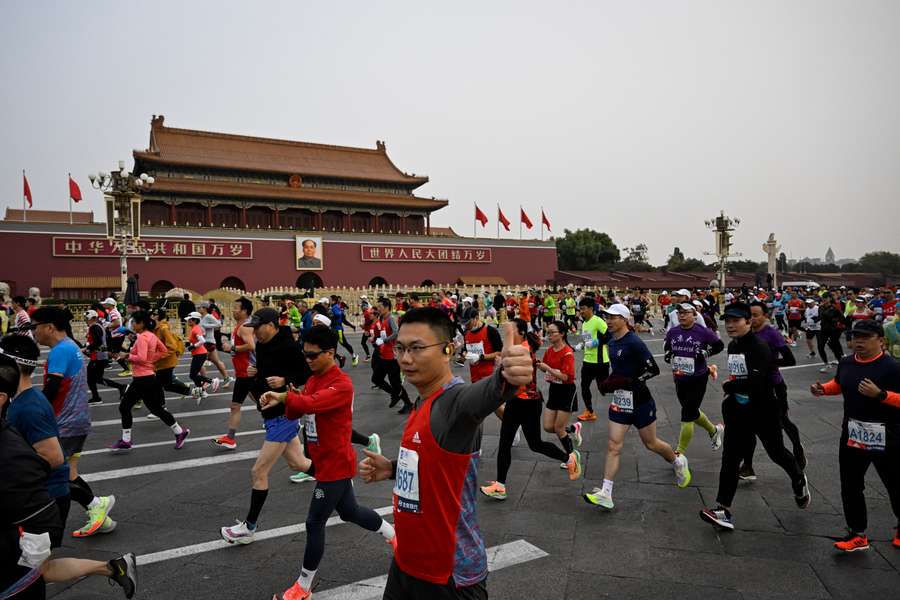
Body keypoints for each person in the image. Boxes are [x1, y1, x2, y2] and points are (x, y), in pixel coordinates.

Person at [358, 308, 533, 599]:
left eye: (417, 348)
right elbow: (431, 463)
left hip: (449, 576)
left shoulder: (455, 402)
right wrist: (392, 468)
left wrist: (506, 376)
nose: (404, 359)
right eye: (400, 348)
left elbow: (486, 394)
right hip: (406, 562)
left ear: (448, 350)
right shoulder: (423, 401)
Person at [260, 326, 396, 600]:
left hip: (335, 464)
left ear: (330, 353)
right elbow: (298, 408)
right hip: (324, 463)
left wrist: (288, 396)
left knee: (314, 522)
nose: (307, 360)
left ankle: (303, 587)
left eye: (312, 355)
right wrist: (284, 397)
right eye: (305, 355)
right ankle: (394, 535)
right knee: (350, 512)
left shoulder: (341, 384)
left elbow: (312, 403)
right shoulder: (312, 380)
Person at [0, 361, 137, 599]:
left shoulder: (27, 410)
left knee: (30, 576)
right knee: (42, 570)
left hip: (33, 522)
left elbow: (51, 458)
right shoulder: (22, 406)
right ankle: (113, 567)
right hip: (37, 511)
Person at [699, 302, 809, 531]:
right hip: (738, 411)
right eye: (727, 321)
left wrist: (731, 387)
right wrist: (733, 393)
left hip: (763, 409)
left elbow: (756, 382)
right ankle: (723, 509)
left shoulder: (759, 347)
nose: (730, 325)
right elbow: (741, 377)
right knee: (730, 459)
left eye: (736, 321)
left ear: (748, 322)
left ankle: (798, 478)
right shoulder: (734, 346)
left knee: (776, 452)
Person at [220, 308, 314, 543]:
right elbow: (263, 371)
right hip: (271, 413)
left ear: (272, 325)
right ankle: (340, 482)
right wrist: (256, 372)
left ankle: (248, 529)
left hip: (283, 414)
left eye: (259, 327)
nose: (256, 333)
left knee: (258, 472)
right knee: (299, 463)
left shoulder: (289, 346)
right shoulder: (262, 345)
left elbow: (305, 373)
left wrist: (286, 380)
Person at [583, 304, 691, 510]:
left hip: (640, 400)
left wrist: (629, 381)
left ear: (624, 319)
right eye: (607, 317)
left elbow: (653, 369)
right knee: (614, 446)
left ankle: (678, 461)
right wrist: (609, 382)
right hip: (621, 401)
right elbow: (617, 369)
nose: (608, 320)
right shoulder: (611, 341)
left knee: (651, 443)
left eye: (613, 317)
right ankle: (606, 492)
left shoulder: (634, 342)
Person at [25, 307, 116, 539]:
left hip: (65, 422)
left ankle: (95, 503)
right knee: (69, 473)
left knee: (52, 473)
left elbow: (53, 389)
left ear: (49, 327)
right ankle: (101, 518)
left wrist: (35, 411)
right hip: (77, 420)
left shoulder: (60, 351)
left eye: (34, 326)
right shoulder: (70, 346)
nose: (33, 332)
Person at [810, 319, 900, 552]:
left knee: (895, 484)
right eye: (855, 337)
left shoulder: (893, 367)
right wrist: (824, 389)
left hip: (887, 435)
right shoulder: (847, 362)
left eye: (864, 337)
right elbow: (840, 383)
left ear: (880, 340)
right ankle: (857, 533)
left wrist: (881, 395)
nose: (857, 341)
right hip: (853, 433)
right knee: (850, 485)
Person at [480, 319, 581, 500]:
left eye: (510, 330)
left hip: (529, 403)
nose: (506, 334)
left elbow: (511, 371)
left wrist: (500, 364)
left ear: (520, 333)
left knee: (536, 444)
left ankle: (569, 458)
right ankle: (500, 485)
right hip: (515, 401)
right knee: (504, 442)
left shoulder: (524, 349)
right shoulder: (520, 348)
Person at [739, 301, 805, 481]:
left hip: (773, 386)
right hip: (751, 387)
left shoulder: (772, 334)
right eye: (749, 315)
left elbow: (790, 360)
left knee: (782, 421)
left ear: (765, 316)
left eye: (755, 315)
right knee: (748, 426)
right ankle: (747, 466)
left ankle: (797, 450)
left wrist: (767, 365)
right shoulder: (744, 335)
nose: (751, 319)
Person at [108, 311, 190, 451]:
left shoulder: (142, 338)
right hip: (148, 377)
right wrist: (152, 359)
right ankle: (179, 432)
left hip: (142, 379)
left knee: (125, 407)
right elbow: (164, 351)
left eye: (134, 322)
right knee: (156, 409)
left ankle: (126, 440)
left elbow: (141, 358)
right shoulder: (151, 336)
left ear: (141, 324)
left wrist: (127, 355)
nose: (132, 324)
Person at [663, 302, 725, 455]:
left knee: (687, 415)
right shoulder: (673, 332)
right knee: (692, 411)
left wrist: (705, 354)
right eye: (679, 313)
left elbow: (720, 345)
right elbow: (668, 348)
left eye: (685, 312)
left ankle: (679, 453)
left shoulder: (703, 332)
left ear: (694, 314)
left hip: (698, 378)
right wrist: (668, 354)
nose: (681, 315)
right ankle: (714, 430)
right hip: (679, 377)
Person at [537, 320, 584, 473]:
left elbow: (566, 377)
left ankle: (572, 456)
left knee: (558, 428)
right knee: (548, 427)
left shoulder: (568, 353)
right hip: (554, 391)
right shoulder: (549, 351)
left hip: (567, 392)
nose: (548, 335)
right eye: (547, 332)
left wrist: (548, 369)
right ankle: (572, 428)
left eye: (552, 333)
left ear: (562, 334)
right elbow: (546, 369)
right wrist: (540, 366)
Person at [214, 297, 256, 450]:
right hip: (244, 372)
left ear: (244, 310)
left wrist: (231, 348)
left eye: (236, 308)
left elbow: (250, 345)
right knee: (262, 402)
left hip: (247, 372)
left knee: (235, 406)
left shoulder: (244, 326)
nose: (233, 310)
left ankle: (230, 438)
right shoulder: (240, 325)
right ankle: (284, 420)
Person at [372, 297, 412, 414]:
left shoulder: (391, 318)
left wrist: (384, 341)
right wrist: (376, 338)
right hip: (383, 354)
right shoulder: (381, 318)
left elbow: (396, 332)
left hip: (392, 356)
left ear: (386, 307)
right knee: (376, 379)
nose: (378, 309)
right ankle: (395, 395)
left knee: (395, 383)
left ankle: (408, 403)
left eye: (380, 307)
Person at [574, 297, 609, 422]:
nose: (581, 312)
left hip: (600, 362)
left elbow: (609, 335)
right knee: (584, 386)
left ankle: (624, 398)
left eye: (583, 309)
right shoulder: (584, 323)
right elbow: (587, 340)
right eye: (580, 309)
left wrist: (596, 342)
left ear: (590, 308)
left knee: (604, 388)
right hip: (588, 361)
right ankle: (590, 411)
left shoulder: (598, 321)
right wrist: (582, 345)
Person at [82, 310, 126, 404]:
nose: (85, 320)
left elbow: (98, 342)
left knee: (93, 379)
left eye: (87, 319)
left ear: (93, 318)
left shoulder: (94, 327)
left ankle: (98, 397)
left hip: (98, 357)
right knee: (94, 379)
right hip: (100, 356)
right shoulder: (98, 326)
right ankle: (97, 397)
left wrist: (87, 348)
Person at [153, 307, 196, 399]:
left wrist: (157, 356)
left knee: (159, 386)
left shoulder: (163, 329)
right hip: (161, 363)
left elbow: (172, 347)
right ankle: (192, 391)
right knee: (165, 385)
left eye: (152, 315)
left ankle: (161, 408)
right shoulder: (155, 329)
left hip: (166, 362)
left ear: (156, 316)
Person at [184, 311, 221, 402]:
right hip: (198, 354)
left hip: (200, 354)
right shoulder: (195, 328)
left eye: (189, 320)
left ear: (194, 320)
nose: (188, 321)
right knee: (194, 375)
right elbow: (197, 339)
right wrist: (190, 344)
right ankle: (202, 392)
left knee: (192, 375)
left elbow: (202, 340)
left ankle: (212, 381)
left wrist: (193, 346)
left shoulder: (195, 329)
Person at [199, 302, 232, 386]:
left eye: (200, 307)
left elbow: (218, 324)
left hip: (208, 342)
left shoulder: (208, 316)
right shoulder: (201, 317)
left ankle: (205, 381)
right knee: (216, 362)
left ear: (205, 308)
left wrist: (206, 326)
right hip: (206, 342)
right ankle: (227, 378)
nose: (198, 309)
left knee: (200, 363)